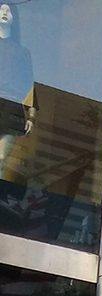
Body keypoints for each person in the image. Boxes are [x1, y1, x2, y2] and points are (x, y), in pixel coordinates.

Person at [0, 2, 35, 200]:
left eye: (8, 11)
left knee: (1, 157)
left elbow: (29, 84)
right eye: (1, 9)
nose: (4, 13)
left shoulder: (22, 52)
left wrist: (31, 115)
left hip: (12, 108)